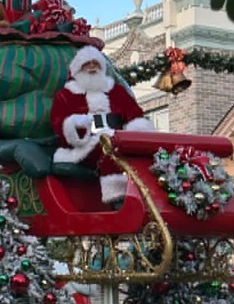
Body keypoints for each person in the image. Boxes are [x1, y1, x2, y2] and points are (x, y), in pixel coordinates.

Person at [49, 46, 155, 204]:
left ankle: (151, 196)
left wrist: (137, 130)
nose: (92, 67)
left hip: (118, 138)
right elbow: (59, 125)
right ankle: (118, 199)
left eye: (96, 63)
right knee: (109, 152)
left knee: (139, 154)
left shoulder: (117, 92)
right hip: (84, 146)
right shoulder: (66, 96)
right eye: (87, 63)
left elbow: (135, 116)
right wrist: (77, 124)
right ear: (78, 68)